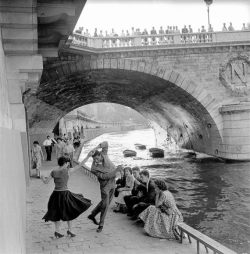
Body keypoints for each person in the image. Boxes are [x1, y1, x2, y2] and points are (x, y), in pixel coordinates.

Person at [41, 156, 92, 238]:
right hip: (64, 195)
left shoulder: (53, 171)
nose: (68, 164)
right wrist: (88, 156)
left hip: (55, 195)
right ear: (65, 163)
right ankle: (70, 230)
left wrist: (42, 177)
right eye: (67, 163)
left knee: (56, 213)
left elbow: (46, 182)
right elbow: (80, 165)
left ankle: (57, 231)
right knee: (70, 212)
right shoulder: (68, 171)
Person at [82, 141, 122, 232]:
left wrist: (96, 147)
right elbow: (104, 177)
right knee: (105, 205)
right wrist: (116, 170)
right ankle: (101, 224)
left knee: (105, 203)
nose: (96, 161)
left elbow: (106, 143)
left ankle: (93, 215)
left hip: (113, 183)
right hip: (105, 187)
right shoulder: (93, 168)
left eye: (97, 158)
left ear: (100, 155)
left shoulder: (104, 154)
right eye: (94, 159)